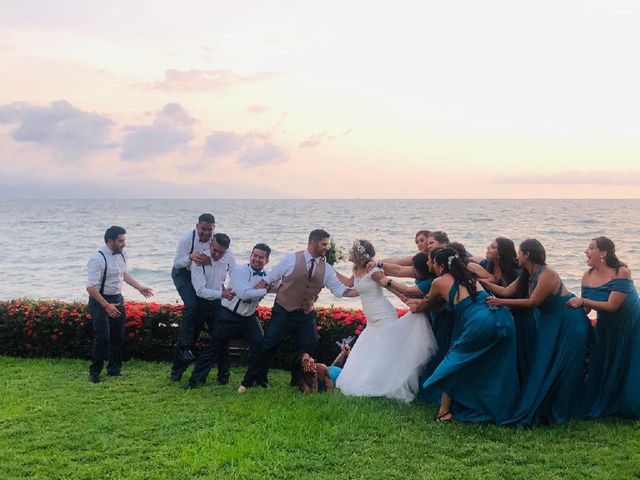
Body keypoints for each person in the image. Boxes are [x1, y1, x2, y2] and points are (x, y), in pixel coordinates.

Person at [481, 239, 590, 426]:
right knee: (542, 362)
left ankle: (558, 409)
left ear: (527, 255)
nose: (516, 256)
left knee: (561, 364)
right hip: (549, 322)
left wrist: (500, 303)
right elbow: (506, 291)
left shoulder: (547, 274)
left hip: (568, 321)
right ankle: (543, 404)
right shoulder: (526, 273)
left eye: (520, 252)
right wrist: (478, 281)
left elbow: (533, 302)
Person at [410, 247, 519, 423]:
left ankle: (444, 410)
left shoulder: (438, 282)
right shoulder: (467, 275)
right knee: (494, 365)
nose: (429, 264)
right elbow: (452, 303)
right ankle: (494, 406)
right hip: (501, 316)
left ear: (439, 265)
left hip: (480, 322)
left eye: (432, 261)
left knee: (453, 363)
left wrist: (416, 306)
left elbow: (427, 303)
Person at [243, 229, 352, 390]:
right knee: (268, 345)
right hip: (283, 311)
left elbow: (338, 290)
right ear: (313, 242)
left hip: (305, 314)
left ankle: (298, 380)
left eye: (327, 245)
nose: (326, 248)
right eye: (324, 244)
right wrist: (248, 295)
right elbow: (269, 279)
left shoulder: (326, 268)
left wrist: (362, 290)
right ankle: (251, 380)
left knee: (310, 344)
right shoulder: (291, 259)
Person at [334, 240, 437, 403]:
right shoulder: (357, 270)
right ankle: (372, 381)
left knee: (387, 351)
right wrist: (329, 270)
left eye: (351, 250)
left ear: (358, 253)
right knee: (371, 350)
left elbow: (388, 285)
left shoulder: (373, 271)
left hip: (383, 314)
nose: (349, 253)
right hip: (371, 319)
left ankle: (391, 384)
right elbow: (351, 286)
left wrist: (405, 298)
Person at [567, 237, 640, 418]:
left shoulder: (620, 272)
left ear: (603, 253)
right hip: (606, 326)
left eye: (591, 248)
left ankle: (626, 403)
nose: (586, 251)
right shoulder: (587, 275)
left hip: (629, 325)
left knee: (627, 363)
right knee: (602, 362)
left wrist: (582, 300)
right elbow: (587, 308)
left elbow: (612, 306)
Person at [185, 243, 272, 391]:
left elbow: (281, 285)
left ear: (267, 260)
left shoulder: (268, 276)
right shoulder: (240, 271)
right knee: (215, 347)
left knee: (261, 347)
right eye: (254, 256)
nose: (257, 259)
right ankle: (194, 381)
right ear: (250, 256)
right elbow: (245, 294)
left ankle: (259, 380)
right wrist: (266, 290)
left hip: (249, 317)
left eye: (261, 257)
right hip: (228, 315)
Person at [86, 226, 153, 383]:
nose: (124, 244)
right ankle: (94, 372)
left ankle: (114, 370)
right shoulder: (97, 258)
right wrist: (106, 306)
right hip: (100, 300)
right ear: (110, 241)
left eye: (124, 240)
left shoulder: (123, 254)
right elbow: (90, 287)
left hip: (117, 298)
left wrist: (139, 287)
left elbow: (123, 274)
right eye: (120, 241)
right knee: (102, 338)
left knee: (117, 337)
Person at [175, 233, 236, 384]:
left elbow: (235, 276)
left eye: (221, 252)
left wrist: (229, 290)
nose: (216, 254)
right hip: (200, 303)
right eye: (214, 250)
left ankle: (224, 376)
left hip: (217, 303)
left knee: (221, 339)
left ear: (226, 251)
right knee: (190, 339)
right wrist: (222, 293)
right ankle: (176, 373)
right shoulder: (199, 260)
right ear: (210, 246)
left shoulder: (229, 257)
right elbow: (200, 290)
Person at [169, 213, 216, 381]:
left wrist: (210, 261)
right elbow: (177, 263)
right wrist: (190, 257)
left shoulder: (216, 239)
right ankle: (184, 350)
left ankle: (221, 373)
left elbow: (222, 260)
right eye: (203, 229)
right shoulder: (186, 239)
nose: (205, 233)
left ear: (214, 228)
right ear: (197, 226)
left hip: (203, 278)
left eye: (209, 230)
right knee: (192, 305)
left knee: (206, 320)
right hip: (183, 274)